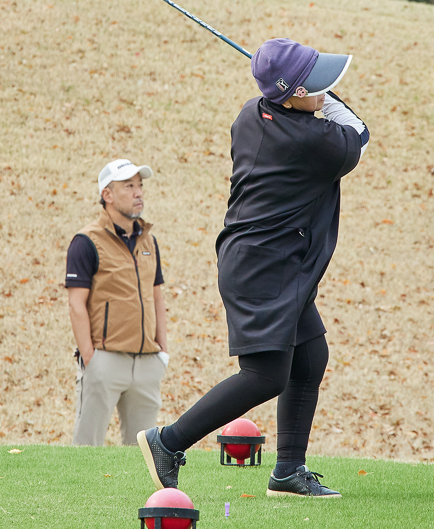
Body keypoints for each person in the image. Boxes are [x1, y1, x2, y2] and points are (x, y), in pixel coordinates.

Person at [138, 38, 369, 498]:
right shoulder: (312, 140)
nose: (323, 89)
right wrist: (326, 98)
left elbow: (301, 106)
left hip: (267, 260)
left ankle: (288, 471)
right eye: (316, 83)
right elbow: (358, 134)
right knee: (266, 376)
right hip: (266, 267)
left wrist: (301, 90)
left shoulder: (251, 113)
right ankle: (168, 441)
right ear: (294, 95)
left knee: (310, 357)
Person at [66, 159, 169, 447]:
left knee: (143, 453)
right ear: (107, 195)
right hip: (104, 359)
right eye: (129, 186)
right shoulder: (86, 241)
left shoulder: (149, 241)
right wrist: (91, 359)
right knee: (87, 448)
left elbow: (156, 297)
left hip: (147, 362)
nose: (138, 192)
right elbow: (76, 305)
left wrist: (162, 351)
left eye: (140, 185)